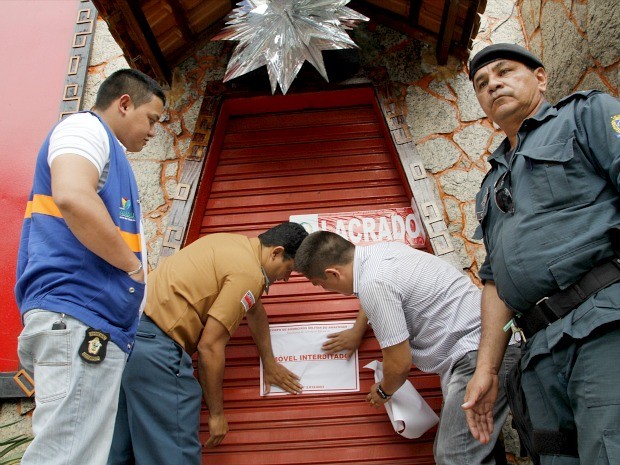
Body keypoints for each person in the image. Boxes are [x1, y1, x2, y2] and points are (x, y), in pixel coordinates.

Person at [462, 43, 620, 465]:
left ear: (541, 78)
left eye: (504, 72)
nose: (492, 84)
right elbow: (495, 283)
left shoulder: (583, 115)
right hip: (539, 354)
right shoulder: (489, 187)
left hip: (603, 325)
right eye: (481, 84)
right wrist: (487, 370)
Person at [14, 69, 165, 465]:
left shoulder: (109, 151)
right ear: (124, 103)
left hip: (89, 323)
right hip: (79, 316)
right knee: (68, 456)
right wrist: (131, 267)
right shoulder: (84, 129)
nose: (154, 133)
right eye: (151, 119)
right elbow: (73, 196)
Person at [294, 231, 519, 465]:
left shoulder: (374, 283)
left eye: (320, 284)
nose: (324, 290)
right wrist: (357, 330)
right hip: (489, 349)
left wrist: (383, 391)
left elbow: (399, 364)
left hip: (476, 356)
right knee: (477, 450)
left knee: (455, 457)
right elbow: (380, 293)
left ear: (333, 273)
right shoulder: (383, 253)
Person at [107, 222, 307, 465]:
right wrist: (217, 414)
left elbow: (255, 311)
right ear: (276, 252)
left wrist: (269, 361)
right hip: (159, 352)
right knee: (174, 454)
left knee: (119, 451)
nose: (286, 278)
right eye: (289, 268)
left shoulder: (227, 244)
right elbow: (210, 346)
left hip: (129, 344)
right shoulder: (249, 274)